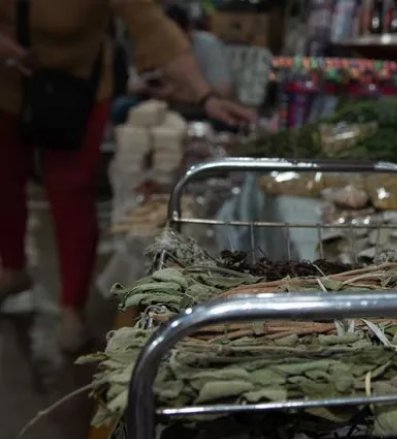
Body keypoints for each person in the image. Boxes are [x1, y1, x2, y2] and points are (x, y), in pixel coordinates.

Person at [0, 0, 257, 351]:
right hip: (7, 82)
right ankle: (12, 268)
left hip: (77, 87)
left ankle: (72, 307)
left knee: (71, 192)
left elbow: (153, 27)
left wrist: (205, 94)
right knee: (5, 179)